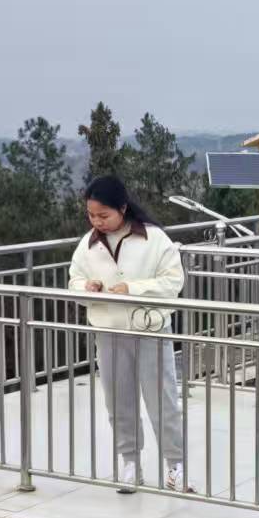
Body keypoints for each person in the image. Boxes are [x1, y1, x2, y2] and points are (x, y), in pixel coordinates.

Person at [68, 176, 188, 492]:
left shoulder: (154, 238)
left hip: (150, 330)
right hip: (109, 331)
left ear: (122, 208)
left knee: (162, 400)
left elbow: (173, 282)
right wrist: (86, 287)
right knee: (118, 402)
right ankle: (130, 463)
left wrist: (133, 289)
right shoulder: (88, 244)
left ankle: (175, 465)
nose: (97, 221)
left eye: (103, 215)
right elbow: (74, 281)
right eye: (91, 215)